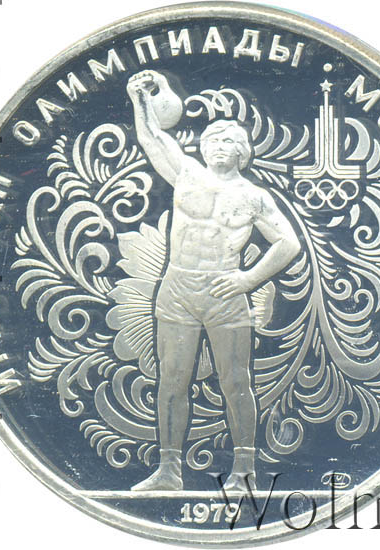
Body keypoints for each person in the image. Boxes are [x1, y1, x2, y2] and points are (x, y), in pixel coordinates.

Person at [127, 70, 301, 492]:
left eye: (227, 141)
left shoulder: (254, 196)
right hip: (178, 290)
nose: (218, 146)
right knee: (172, 381)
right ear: (202, 147)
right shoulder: (186, 173)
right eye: (212, 140)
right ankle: (169, 471)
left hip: (224, 293)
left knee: (236, 381)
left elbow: (288, 243)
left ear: (242, 151)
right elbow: (152, 138)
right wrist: (139, 98)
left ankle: (244, 472)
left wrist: (248, 280)